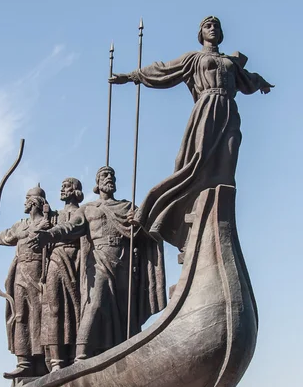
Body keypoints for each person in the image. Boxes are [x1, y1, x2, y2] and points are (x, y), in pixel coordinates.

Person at [109, 16, 274, 251]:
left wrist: (263, 83)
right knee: (196, 162)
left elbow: (249, 80)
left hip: (229, 110)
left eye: (216, 26)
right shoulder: (194, 58)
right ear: (201, 34)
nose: (213, 29)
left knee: (227, 165)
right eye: (208, 26)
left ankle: (217, 216)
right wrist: (132, 76)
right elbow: (163, 70)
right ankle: (163, 212)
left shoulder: (230, 62)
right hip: (206, 110)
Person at [29, 166, 166, 361]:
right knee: (95, 302)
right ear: (97, 183)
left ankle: (126, 352)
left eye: (112, 175)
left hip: (124, 262)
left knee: (124, 310)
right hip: (99, 260)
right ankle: (81, 353)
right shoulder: (89, 209)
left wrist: (139, 225)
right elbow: (70, 227)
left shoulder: (128, 208)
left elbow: (150, 232)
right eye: (104, 175)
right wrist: (49, 235)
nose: (109, 178)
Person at [0, 185, 50, 379]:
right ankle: (23, 361)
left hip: (38, 272)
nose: (24, 203)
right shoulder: (20, 225)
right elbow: (6, 237)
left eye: (27, 199)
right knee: (20, 314)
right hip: (20, 273)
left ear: (34, 202)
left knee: (38, 315)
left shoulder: (46, 224)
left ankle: (40, 361)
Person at [43, 177, 84, 370]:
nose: (62, 189)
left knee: (77, 309)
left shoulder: (81, 212)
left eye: (66, 186)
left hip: (74, 258)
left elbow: (76, 231)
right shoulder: (53, 216)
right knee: (54, 308)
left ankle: (76, 355)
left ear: (75, 191)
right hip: (55, 258)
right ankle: (56, 360)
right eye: (62, 186)